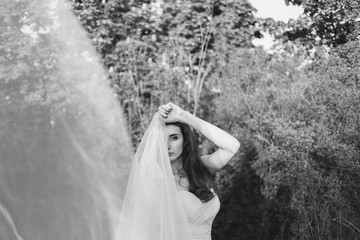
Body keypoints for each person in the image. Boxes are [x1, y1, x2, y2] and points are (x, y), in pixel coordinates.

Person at [157, 102, 241, 240]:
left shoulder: (199, 168)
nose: (167, 146)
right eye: (162, 139)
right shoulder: (157, 179)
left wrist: (183, 115)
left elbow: (232, 146)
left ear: (185, 141)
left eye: (174, 138)